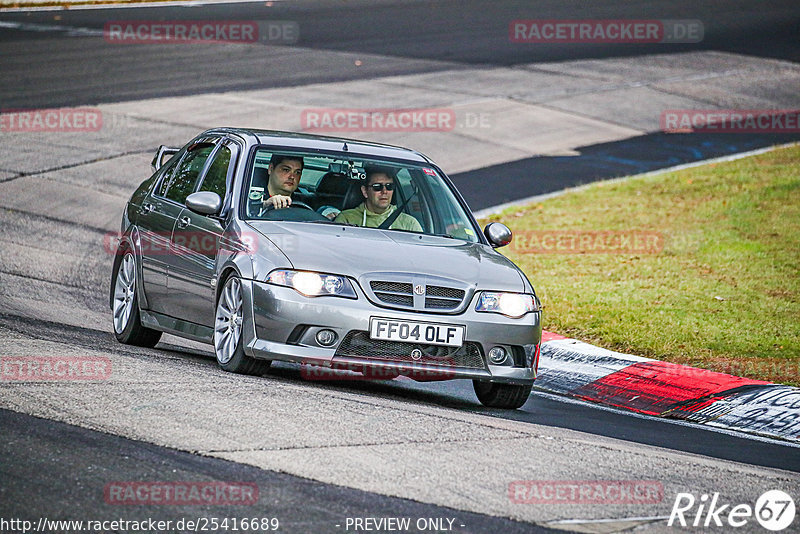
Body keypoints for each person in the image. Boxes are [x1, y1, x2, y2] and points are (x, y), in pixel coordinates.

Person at [334, 167, 422, 231]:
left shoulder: (410, 224)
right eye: (377, 187)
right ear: (365, 191)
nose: (384, 191)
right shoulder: (346, 219)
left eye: (389, 186)